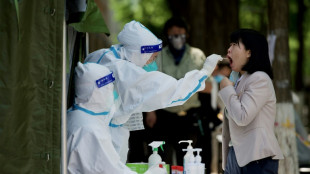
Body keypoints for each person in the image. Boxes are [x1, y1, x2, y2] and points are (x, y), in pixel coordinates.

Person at [84, 20, 223, 163]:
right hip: (105, 132)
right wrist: (204, 72)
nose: (153, 63)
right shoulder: (127, 72)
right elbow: (173, 90)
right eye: (153, 57)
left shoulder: (103, 56)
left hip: (97, 125)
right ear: (139, 53)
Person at [141, 17, 215, 171]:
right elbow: (150, 84)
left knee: (188, 161)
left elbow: (208, 86)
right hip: (164, 116)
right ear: (167, 35)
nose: (177, 38)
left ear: (187, 35)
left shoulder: (196, 55)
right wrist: (150, 112)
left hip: (188, 117)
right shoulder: (159, 55)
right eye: (173, 34)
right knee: (162, 160)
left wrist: (187, 86)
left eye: (180, 34)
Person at [219, 29, 284, 174]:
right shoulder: (240, 79)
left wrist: (226, 88)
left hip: (256, 158)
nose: (228, 50)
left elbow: (242, 117)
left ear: (249, 52)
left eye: (234, 45)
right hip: (237, 155)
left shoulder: (260, 78)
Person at [67, 62, 136, 174]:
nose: (113, 93)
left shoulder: (75, 114)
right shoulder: (90, 130)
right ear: (95, 92)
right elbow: (113, 171)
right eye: (109, 88)